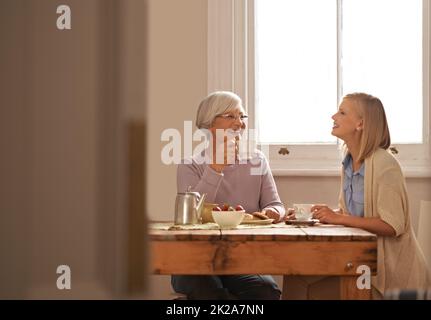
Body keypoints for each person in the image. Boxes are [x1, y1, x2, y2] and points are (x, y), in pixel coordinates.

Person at [305, 92, 430, 298]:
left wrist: (339, 217)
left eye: (342, 112)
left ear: (360, 124)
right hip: (362, 261)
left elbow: (392, 225)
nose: (333, 116)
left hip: (393, 277)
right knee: (299, 279)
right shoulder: (348, 162)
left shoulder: (385, 165)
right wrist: (321, 214)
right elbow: (355, 214)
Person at [171, 91, 285, 300]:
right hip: (192, 257)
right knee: (211, 294)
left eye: (241, 116)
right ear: (209, 125)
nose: (239, 123)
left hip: (240, 258)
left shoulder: (257, 160)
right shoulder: (189, 164)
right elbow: (191, 217)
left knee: (266, 292)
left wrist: (271, 212)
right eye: (230, 116)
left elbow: (276, 205)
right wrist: (215, 168)